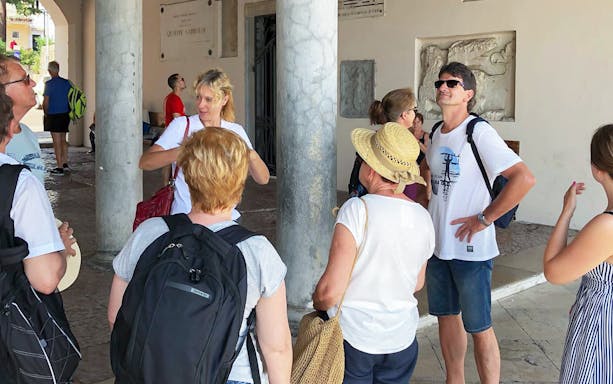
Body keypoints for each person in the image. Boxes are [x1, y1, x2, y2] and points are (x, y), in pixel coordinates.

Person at [108, 127, 292, 383]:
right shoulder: (257, 252)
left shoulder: (151, 232)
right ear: (240, 181)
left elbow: (119, 314)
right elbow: (277, 348)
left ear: (187, 175)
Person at [416, 62, 535, 384]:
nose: (443, 87)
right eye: (440, 83)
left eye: (452, 83)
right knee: (445, 317)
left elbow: (523, 178)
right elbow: (433, 175)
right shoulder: (438, 131)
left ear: (467, 93)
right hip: (440, 245)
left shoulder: (478, 131)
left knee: (479, 325)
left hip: (471, 249)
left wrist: (486, 218)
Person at [313, 121, 434, 383]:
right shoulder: (423, 217)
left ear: (371, 168)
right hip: (401, 339)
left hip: (355, 339)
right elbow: (417, 283)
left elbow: (330, 291)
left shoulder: (357, 210)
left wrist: (317, 304)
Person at [139, 68, 270, 221]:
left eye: (209, 99)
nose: (201, 105)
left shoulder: (235, 131)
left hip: (226, 221)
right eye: (198, 97)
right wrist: (184, 150)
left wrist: (250, 154)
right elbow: (145, 162)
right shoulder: (182, 126)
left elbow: (263, 179)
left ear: (224, 99)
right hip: (186, 220)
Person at [543, 124, 613, 383]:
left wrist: (566, 211)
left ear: (597, 169)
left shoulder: (607, 227)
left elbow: (553, 270)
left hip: (602, 323)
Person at [348, 88, 419, 199]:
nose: (415, 113)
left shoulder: (373, 140)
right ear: (405, 114)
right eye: (414, 109)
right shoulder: (401, 145)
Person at [43, 61, 71, 175]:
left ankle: (59, 167)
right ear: (58, 69)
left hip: (53, 115)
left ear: (49, 71)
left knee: (56, 142)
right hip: (65, 114)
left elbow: (46, 102)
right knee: (63, 139)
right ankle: (65, 163)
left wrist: (46, 113)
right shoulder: (66, 83)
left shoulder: (49, 84)